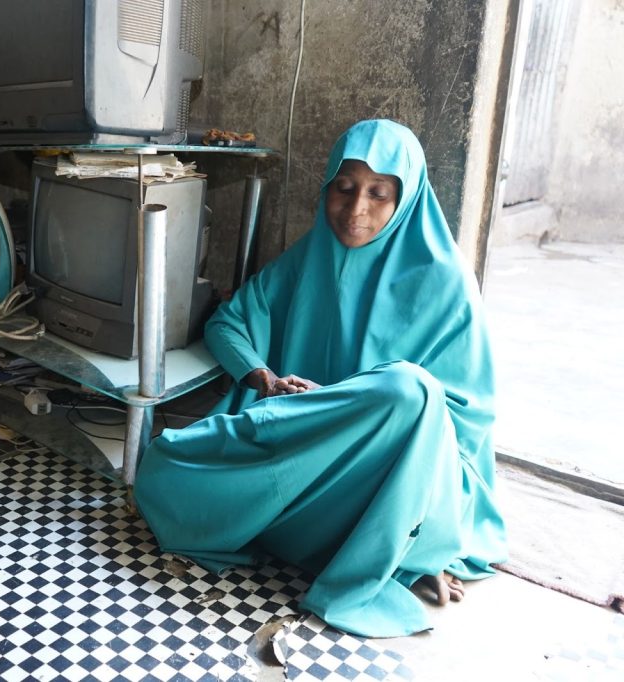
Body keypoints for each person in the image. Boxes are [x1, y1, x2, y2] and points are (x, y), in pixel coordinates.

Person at [133, 119, 508, 638]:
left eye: (379, 193)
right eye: (345, 188)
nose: (356, 210)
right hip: (309, 465)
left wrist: (431, 539)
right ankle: (322, 534)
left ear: (408, 198)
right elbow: (228, 322)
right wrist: (263, 379)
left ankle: (393, 542)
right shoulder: (309, 259)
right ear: (327, 187)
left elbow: (463, 428)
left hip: (392, 484)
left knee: (411, 389)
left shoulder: (445, 284)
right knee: (164, 468)